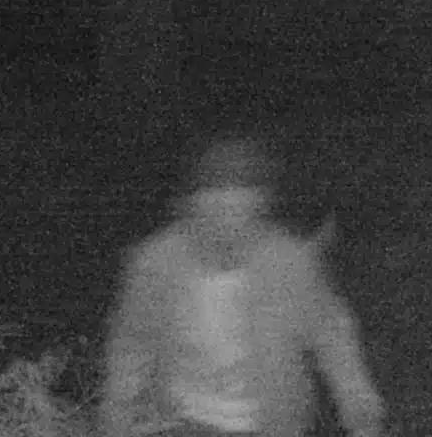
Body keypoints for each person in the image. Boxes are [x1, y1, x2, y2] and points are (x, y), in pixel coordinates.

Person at [99, 127, 385, 437]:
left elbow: (333, 339)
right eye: (216, 201)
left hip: (270, 425)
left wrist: (361, 412)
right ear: (193, 203)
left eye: (240, 202)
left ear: (259, 204)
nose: (227, 215)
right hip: (180, 421)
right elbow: (132, 345)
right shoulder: (157, 263)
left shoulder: (289, 265)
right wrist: (116, 417)